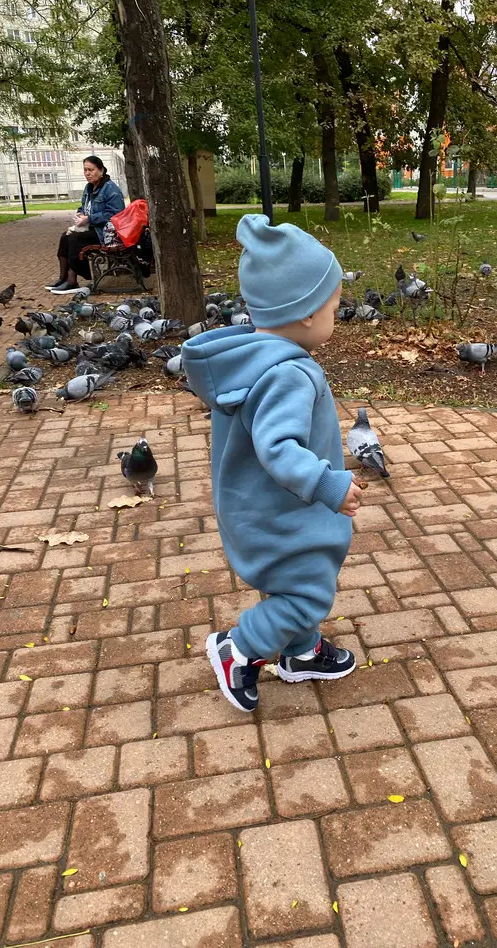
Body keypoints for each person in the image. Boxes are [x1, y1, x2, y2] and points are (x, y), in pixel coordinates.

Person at [182, 214, 364, 712]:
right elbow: (279, 448)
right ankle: (237, 649)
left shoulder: (255, 357)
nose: (336, 312)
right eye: (333, 304)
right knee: (306, 594)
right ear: (305, 312)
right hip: (284, 511)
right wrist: (326, 484)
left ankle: (301, 653)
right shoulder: (288, 373)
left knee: (293, 584)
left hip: (256, 507)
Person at [50, 156, 125, 292]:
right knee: (65, 237)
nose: (87, 173)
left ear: (101, 170)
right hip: (90, 228)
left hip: (105, 233)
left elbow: (116, 214)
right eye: (85, 170)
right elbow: (84, 207)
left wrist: (90, 218)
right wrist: (80, 214)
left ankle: (72, 281)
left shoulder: (110, 189)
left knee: (75, 239)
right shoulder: (88, 187)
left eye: (91, 170)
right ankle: (63, 277)